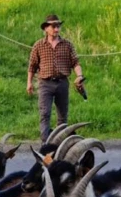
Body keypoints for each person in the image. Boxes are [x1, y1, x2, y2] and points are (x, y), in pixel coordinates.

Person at [26, 13, 84, 142]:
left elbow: (75, 62)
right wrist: (29, 83)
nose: (56, 29)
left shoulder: (67, 45)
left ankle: (60, 142)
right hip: (45, 84)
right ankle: (45, 143)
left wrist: (79, 76)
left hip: (62, 83)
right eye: (53, 26)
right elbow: (32, 66)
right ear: (46, 28)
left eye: (58, 26)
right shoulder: (38, 45)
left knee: (62, 116)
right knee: (45, 113)